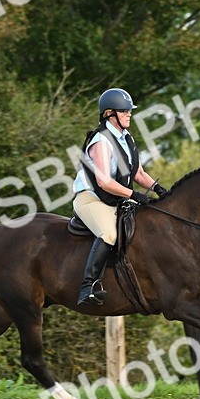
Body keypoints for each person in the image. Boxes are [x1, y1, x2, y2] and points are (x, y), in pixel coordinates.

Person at [72, 88, 168, 305]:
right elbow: (104, 182)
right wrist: (135, 195)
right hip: (91, 198)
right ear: (109, 114)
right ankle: (87, 288)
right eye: (124, 111)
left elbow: (138, 173)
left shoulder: (127, 138)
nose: (129, 114)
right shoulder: (101, 141)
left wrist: (158, 189)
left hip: (115, 198)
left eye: (129, 111)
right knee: (109, 234)